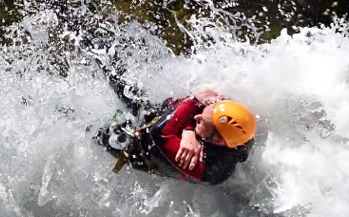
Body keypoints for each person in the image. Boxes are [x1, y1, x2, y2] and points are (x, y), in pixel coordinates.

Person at [95, 75, 258, 184]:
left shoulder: (208, 168)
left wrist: (194, 102)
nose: (197, 117)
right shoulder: (239, 129)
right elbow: (172, 104)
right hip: (159, 119)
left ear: (217, 140)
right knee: (122, 83)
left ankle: (74, 118)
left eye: (202, 122)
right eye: (201, 113)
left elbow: (160, 132)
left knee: (98, 133)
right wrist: (188, 130)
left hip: (143, 150)